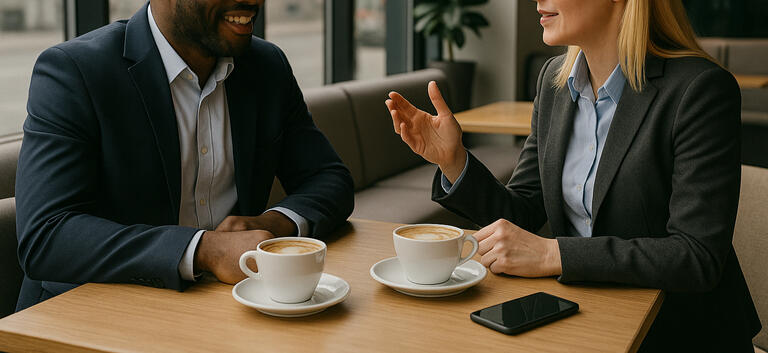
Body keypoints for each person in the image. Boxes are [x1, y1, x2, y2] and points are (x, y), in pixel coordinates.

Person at [386, 0, 760, 351]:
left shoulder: (700, 90)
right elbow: (524, 212)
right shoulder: (554, 82)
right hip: (585, 316)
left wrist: (554, 253)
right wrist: (453, 161)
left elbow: (696, 256)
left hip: (678, 332)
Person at [15, 0, 353, 311]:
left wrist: (272, 224)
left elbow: (329, 178)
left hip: (225, 307)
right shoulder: (75, 70)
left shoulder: (266, 67)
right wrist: (206, 250)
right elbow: (47, 235)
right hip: (89, 312)